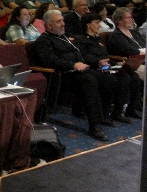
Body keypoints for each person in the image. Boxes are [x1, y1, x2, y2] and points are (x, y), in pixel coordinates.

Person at [32, 10, 115, 141]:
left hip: (79, 71)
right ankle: (94, 125)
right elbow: (50, 61)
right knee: (89, 80)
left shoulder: (66, 37)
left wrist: (97, 62)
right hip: (61, 76)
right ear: (49, 26)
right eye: (58, 21)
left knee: (108, 77)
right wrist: (73, 65)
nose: (63, 24)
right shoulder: (43, 41)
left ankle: (104, 115)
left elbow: (82, 54)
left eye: (62, 20)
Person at [75, 13, 142, 121]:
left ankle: (123, 110)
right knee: (111, 79)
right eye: (96, 23)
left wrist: (118, 64)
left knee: (132, 76)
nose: (99, 26)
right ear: (88, 25)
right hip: (93, 68)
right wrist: (99, 61)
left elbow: (106, 56)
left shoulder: (98, 40)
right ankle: (105, 113)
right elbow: (83, 56)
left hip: (106, 67)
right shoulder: (80, 39)